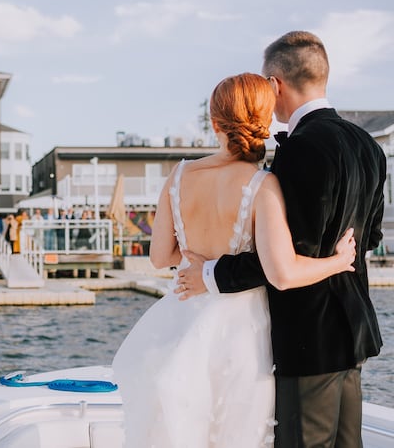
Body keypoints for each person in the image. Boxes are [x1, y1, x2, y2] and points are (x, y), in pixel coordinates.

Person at [112, 72, 357, 447]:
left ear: (214, 124)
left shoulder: (178, 176)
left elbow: (160, 257)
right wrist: (338, 262)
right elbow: (284, 273)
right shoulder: (262, 185)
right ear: (265, 120)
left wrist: (194, 255)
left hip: (181, 318)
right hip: (240, 332)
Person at [178, 32, 386, 448]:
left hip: (309, 336)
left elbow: (286, 258)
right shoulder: (368, 146)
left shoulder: (302, 149)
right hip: (355, 330)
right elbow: (371, 237)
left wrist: (210, 273)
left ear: (275, 85)